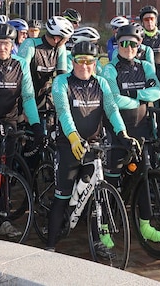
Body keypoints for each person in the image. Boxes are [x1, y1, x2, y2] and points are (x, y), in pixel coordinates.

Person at [45, 41, 132, 253]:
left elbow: (112, 110)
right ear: (73, 62)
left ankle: (97, 241)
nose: (85, 66)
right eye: (80, 62)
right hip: (68, 145)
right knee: (62, 197)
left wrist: (123, 134)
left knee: (95, 196)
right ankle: (49, 244)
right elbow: (64, 112)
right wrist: (74, 137)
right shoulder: (61, 82)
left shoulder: (101, 83)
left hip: (93, 146)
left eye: (90, 62)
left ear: (95, 64)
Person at [0, 23, 43, 237]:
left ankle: (4, 218)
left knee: (6, 167)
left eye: (7, 43)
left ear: (13, 45)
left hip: (9, 120)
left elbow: (28, 98)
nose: (3, 47)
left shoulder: (20, 64)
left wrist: (37, 125)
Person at [98, 25, 160, 243]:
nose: (129, 48)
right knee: (113, 178)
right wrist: (141, 98)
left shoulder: (146, 66)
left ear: (139, 46)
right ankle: (105, 227)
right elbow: (114, 99)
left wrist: (133, 94)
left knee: (144, 176)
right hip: (118, 131)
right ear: (117, 44)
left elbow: (157, 91)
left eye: (133, 44)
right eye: (124, 43)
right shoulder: (110, 69)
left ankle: (145, 225)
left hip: (142, 128)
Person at [16, 15, 73, 109]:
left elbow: (61, 76)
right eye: (66, 39)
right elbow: (20, 75)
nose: (66, 41)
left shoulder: (60, 48)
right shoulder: (30, 44)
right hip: (24, 94)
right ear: (56, 39)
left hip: (44, 95)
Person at [137, 5, 160, 98]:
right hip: (142, 77)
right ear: (142, 22)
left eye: (152, 18)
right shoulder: (139, 36)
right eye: (146, 19)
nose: (149, 22)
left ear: (156, 20)